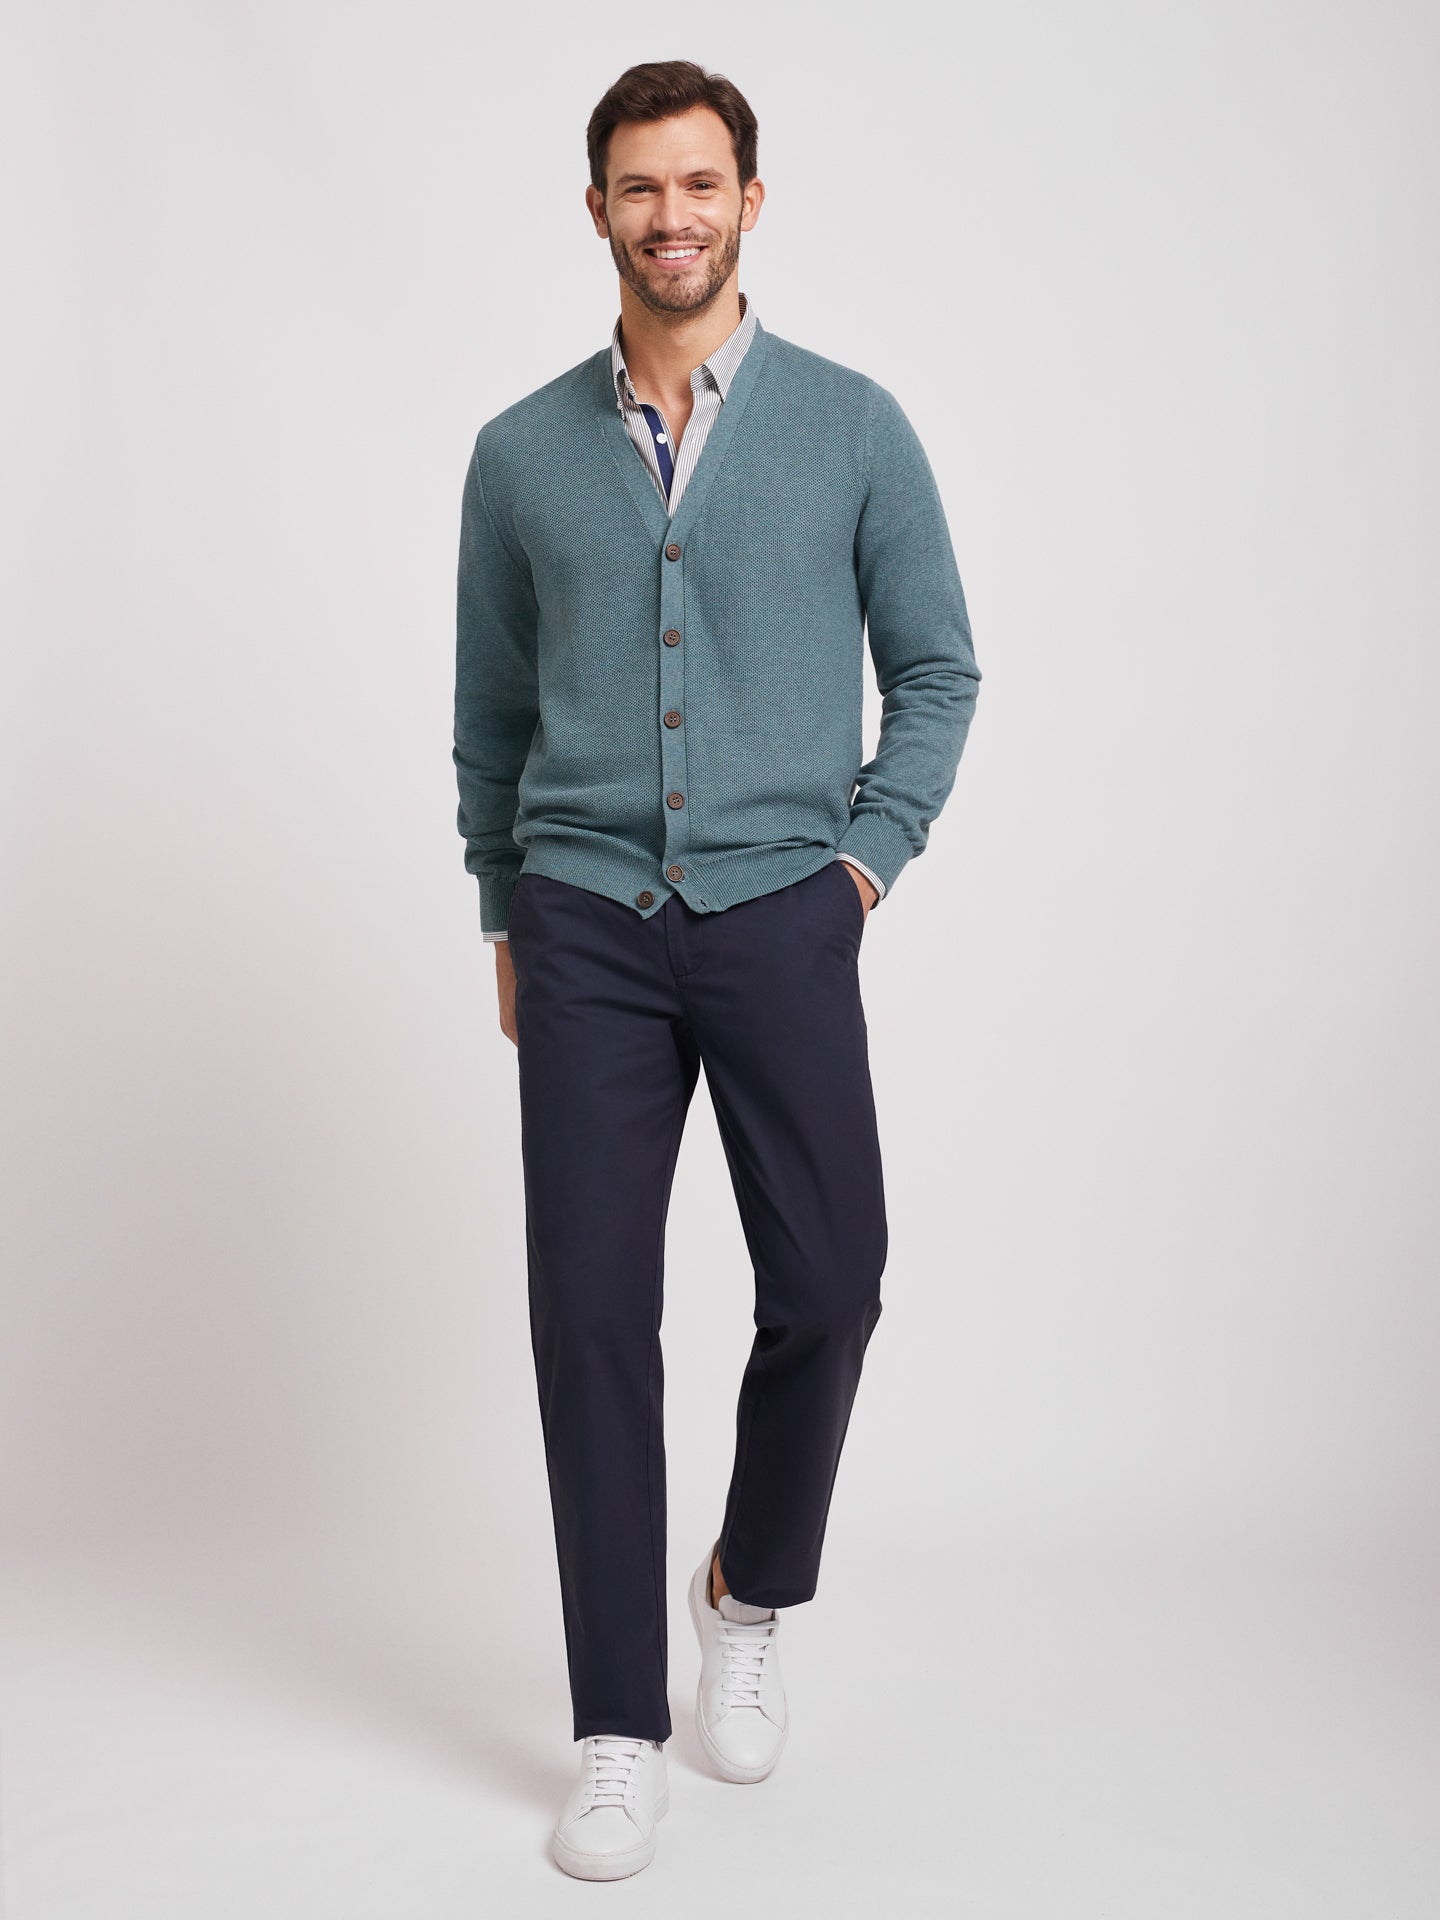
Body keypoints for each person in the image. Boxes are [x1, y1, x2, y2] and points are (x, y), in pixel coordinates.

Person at [452, 57, 981, 1882]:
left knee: (831, 1278)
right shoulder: (520, 454)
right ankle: (616, 1728)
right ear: (596, 209)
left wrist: (861, 866)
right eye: (638, 185)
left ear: (751, 200)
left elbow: (938, 668)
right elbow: (491, 714)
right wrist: (503, 909)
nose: (669, 215)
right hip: (583, 921)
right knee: (589, 1315)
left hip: (781, 911)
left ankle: (746, 1592)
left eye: (699, 183)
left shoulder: (852, 427)